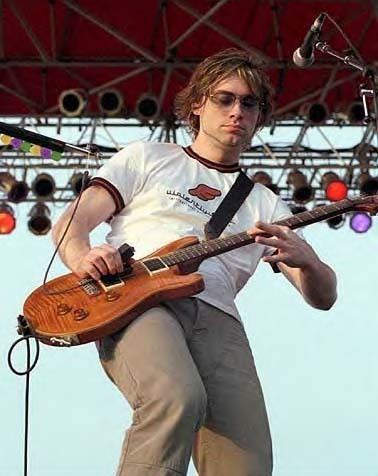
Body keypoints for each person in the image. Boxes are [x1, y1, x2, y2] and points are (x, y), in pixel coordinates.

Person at [52, 48, 337, 476]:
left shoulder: (264, 202)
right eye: (225, 99)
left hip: (220, 320)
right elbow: (70, 225)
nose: (237, 111)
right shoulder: (148, 156)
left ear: (260, 116)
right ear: (199, 104)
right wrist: (84, 256)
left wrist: (309, 261)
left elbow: (324, 297)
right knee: (175, 398)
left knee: (247, 465)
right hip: (139, 298)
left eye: (249, 103)